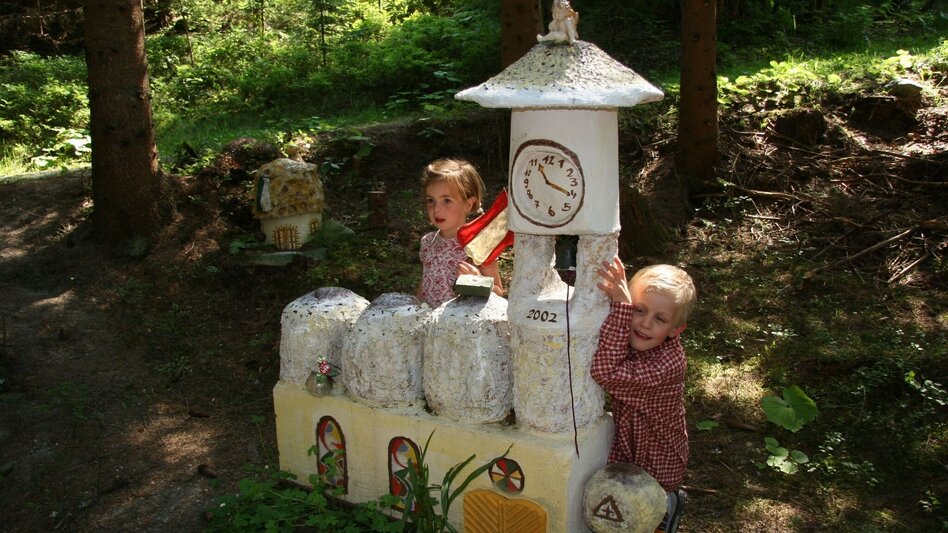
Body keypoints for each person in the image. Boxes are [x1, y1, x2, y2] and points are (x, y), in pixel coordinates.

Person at [590, 256, 696, 533]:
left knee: (644, 517)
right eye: (639, 309)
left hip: (657, 464)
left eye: (659, 319)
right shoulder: (645, 342)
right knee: (627, 510)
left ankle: (667, 507)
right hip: (631, 446)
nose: (645, 324)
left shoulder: (667, 365)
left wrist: (623, 307)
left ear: (675, 330)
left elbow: (605, 372)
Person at [415, 158, 504, 307]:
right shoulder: (427, 242)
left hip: (462, 326)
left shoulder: (479, 244)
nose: (436, 209)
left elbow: (499, 292)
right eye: (431, 200)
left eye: (447, 200)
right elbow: (425, 284)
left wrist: (478, 281)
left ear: (468, 204)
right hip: (430, 325)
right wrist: (416, 308)